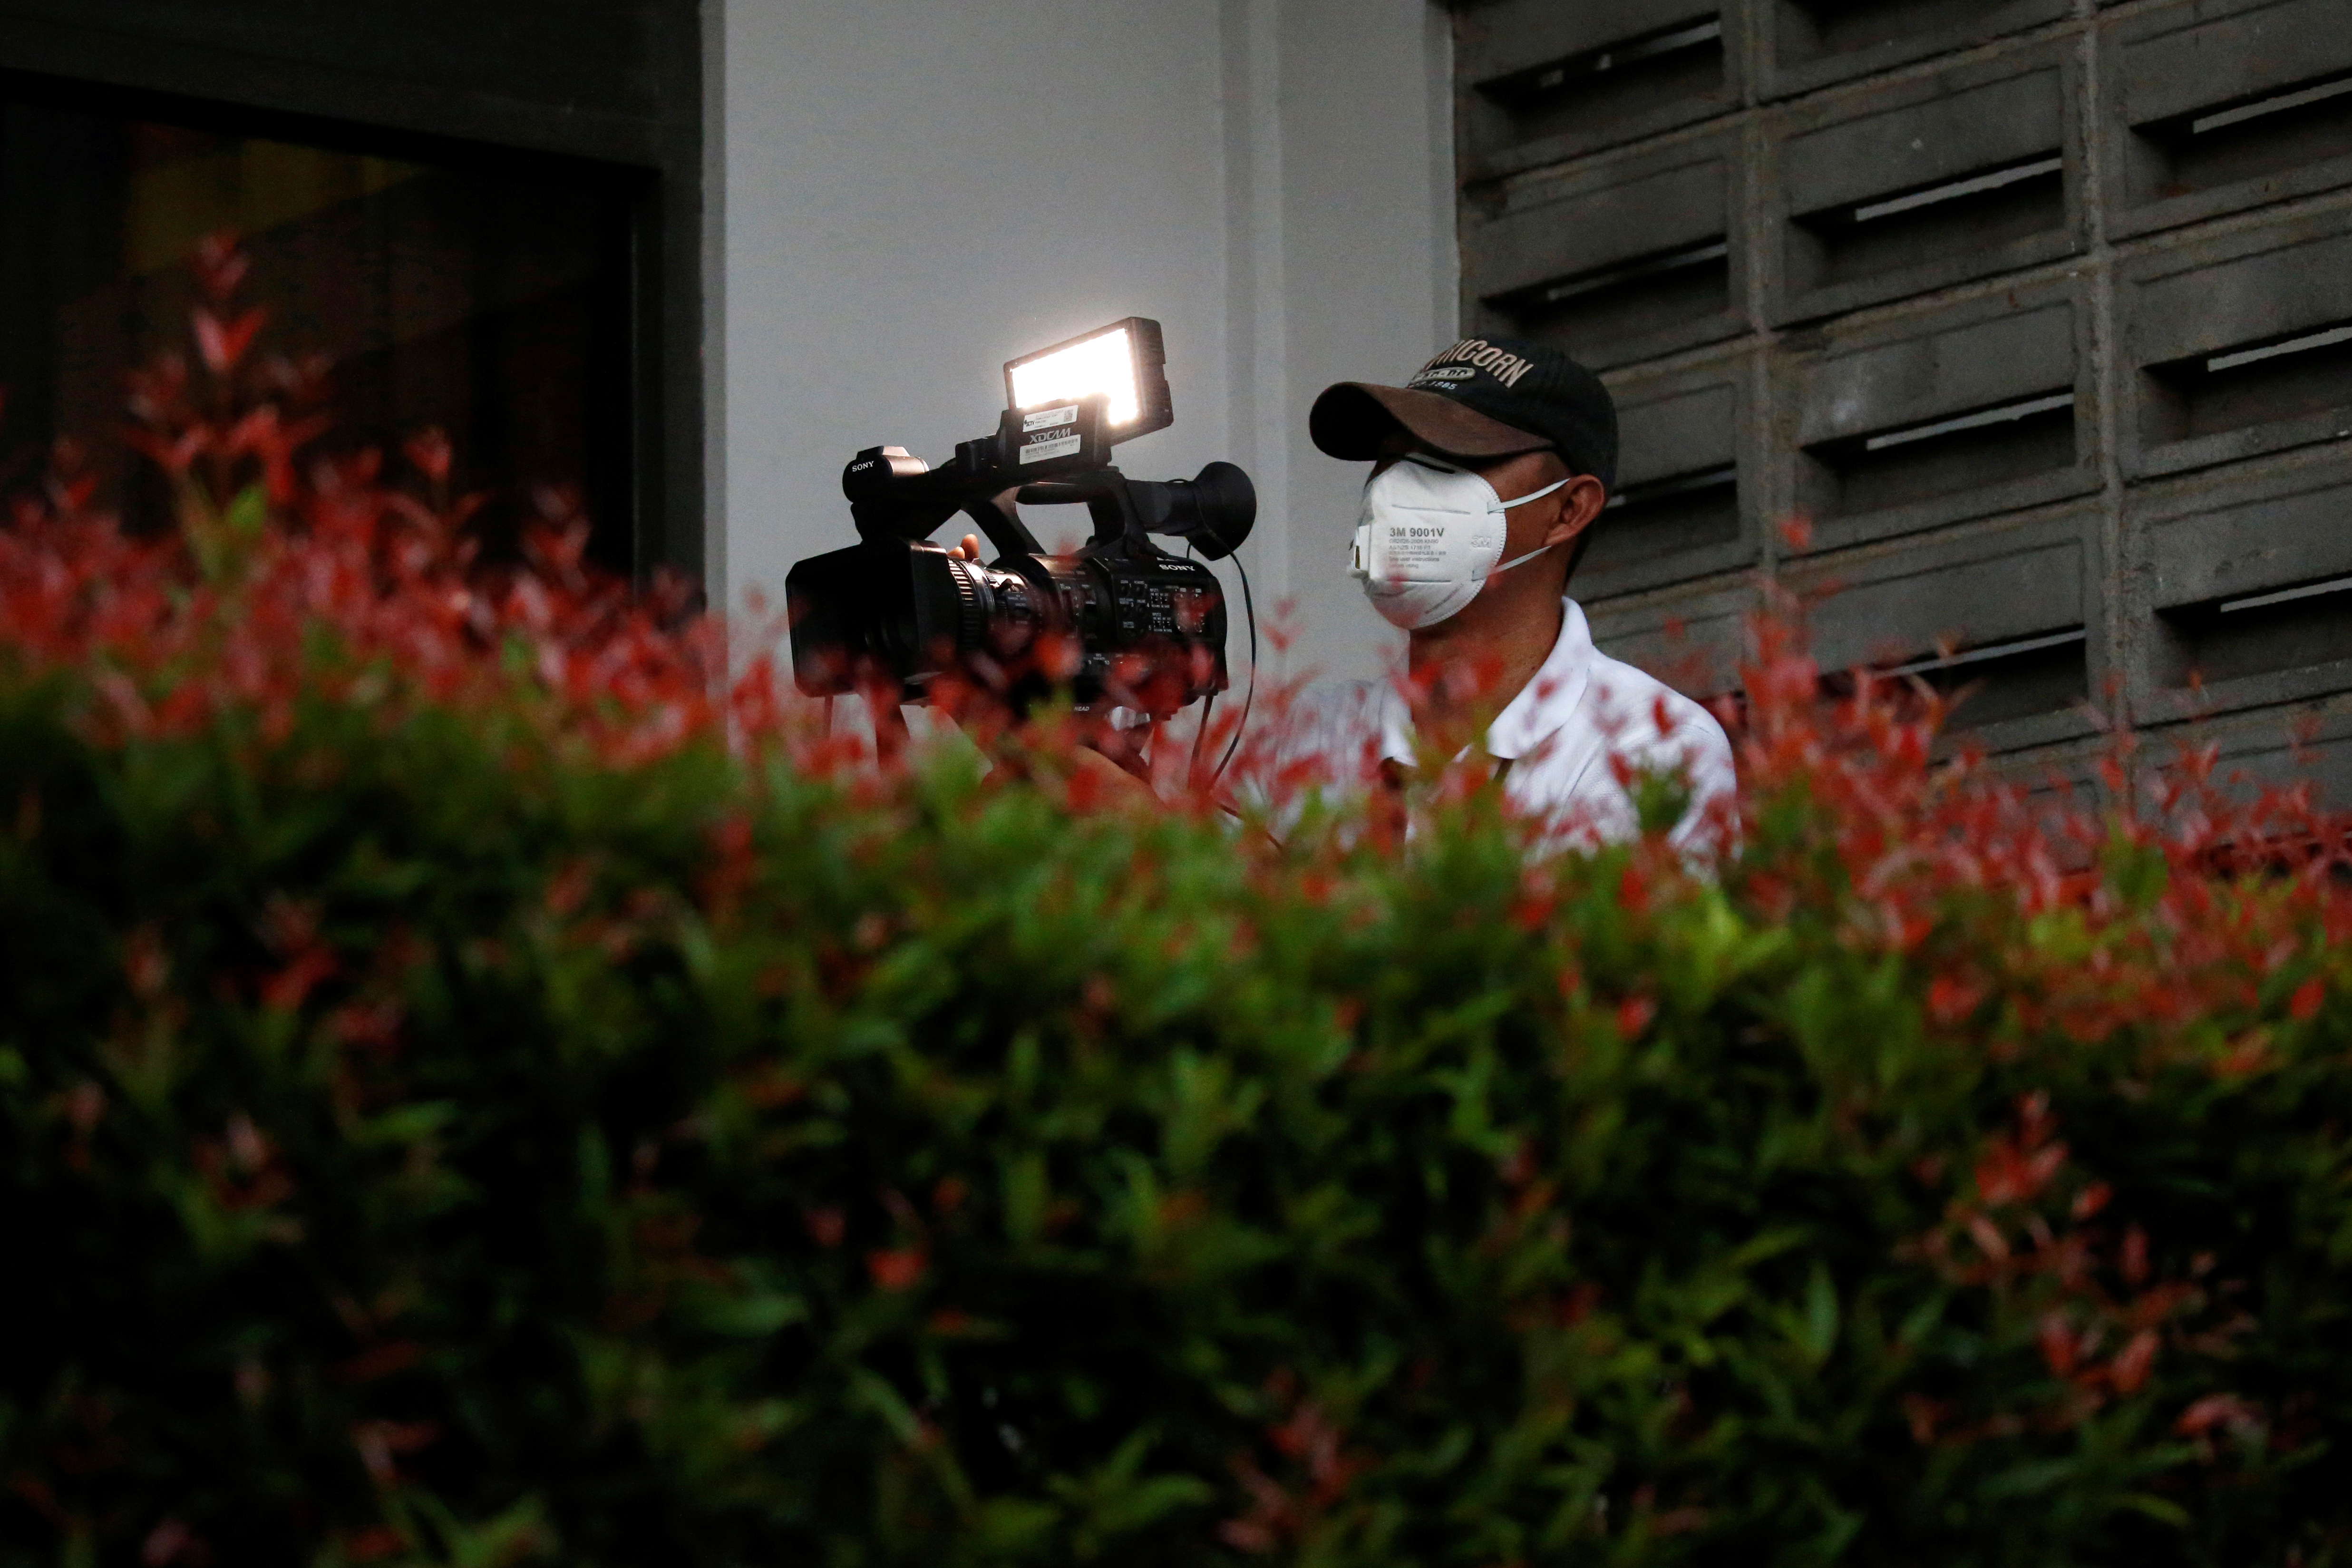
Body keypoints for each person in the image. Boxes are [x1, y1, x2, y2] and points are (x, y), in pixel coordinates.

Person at [1286, 333, 1736, 850]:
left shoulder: (1653, 752)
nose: (1396, 489)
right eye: (1390, 457)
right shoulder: (1307, 735)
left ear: (1568, 510)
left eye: (1451, 457)